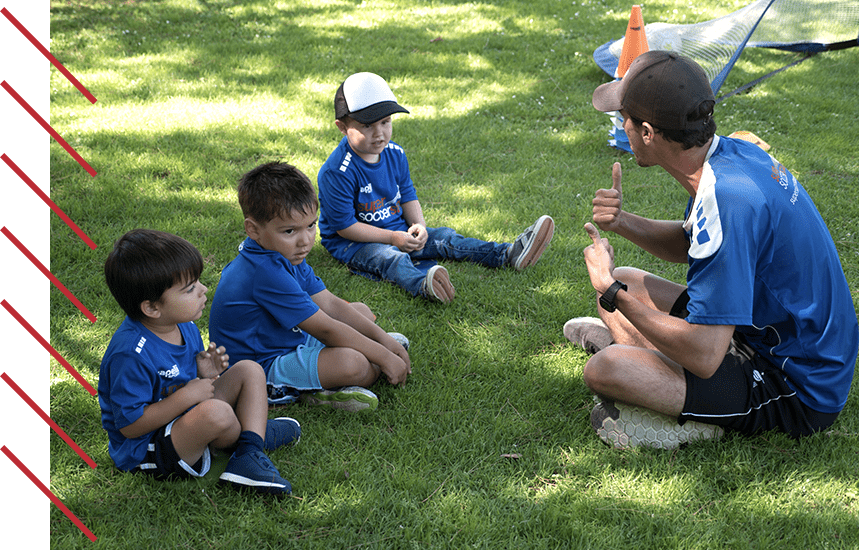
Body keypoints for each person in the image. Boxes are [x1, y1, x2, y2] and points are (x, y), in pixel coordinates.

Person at [566, 50, 858, 449]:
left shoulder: (728, 202)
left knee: (605, 368)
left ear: (648, 132)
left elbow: (704, 354)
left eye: (624, 119)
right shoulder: (732, 156)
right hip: (767, 337)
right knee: (628, 281)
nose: (622, 127)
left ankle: (697, 418)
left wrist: (610, 291)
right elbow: (693, 242)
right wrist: (622, 223)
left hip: (799, 384)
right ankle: (664, 375)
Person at [317, 72, 555, 303]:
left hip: (397, 230)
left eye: (385, 122)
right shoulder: (337, 171)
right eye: (367, 126)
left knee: (445, 238)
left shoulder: (395, 154)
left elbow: (407, 194)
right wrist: (391, 238)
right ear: (342, 126)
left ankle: (507, 254)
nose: (379, 134)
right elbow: (345, 227)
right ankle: (424, 286)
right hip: (354, 243)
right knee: (390, 258)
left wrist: (418, 225)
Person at [98, 229, 299, 496]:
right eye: (190, 288)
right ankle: (249, 431)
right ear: (152, 308)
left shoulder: (184, 325)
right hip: (147, 446)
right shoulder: (130, 354)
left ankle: (249, 448)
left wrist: (204, 374)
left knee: (249, 369)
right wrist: (185, 397)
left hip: (187, 418)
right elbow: (130, 426)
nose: (203, 290)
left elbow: (187, 381)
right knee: (217, 413)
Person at [208, 162, 411, 413]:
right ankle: (303, 393)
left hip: (288, 339)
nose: (305, 241)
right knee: (356, 365)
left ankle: (326, 379)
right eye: (290, 230)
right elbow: (325, 328)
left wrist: (382, 342)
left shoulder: (283, 253)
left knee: (360, 311)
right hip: (262, 366)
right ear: (253, 229)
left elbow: (329, 303)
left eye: (311, 225)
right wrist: (383, 356)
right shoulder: (264, 271)